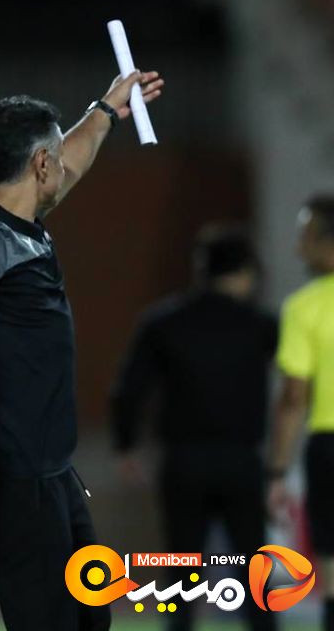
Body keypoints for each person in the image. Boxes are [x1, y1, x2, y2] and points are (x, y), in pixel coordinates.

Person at [0, 72, 165, 631]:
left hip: (45, 467)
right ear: (42, 164)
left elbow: (74, 162)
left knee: (90, 615)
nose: (65, 166)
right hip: (11, 470)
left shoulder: (20, 224)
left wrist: (105, 110)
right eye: (56, 158)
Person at [110, 225, 276, 631]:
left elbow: (128, 390)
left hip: (183, 461)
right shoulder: (260, 325)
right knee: (253, 572)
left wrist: (126, 445)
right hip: (241, 460)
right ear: (244, 271)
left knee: (182, 575)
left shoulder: (164, 323)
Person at [265, 194, 334, 631]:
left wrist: (276, 472)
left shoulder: (303, 308)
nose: (297, 248)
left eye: (305, 237)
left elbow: (293, 399)